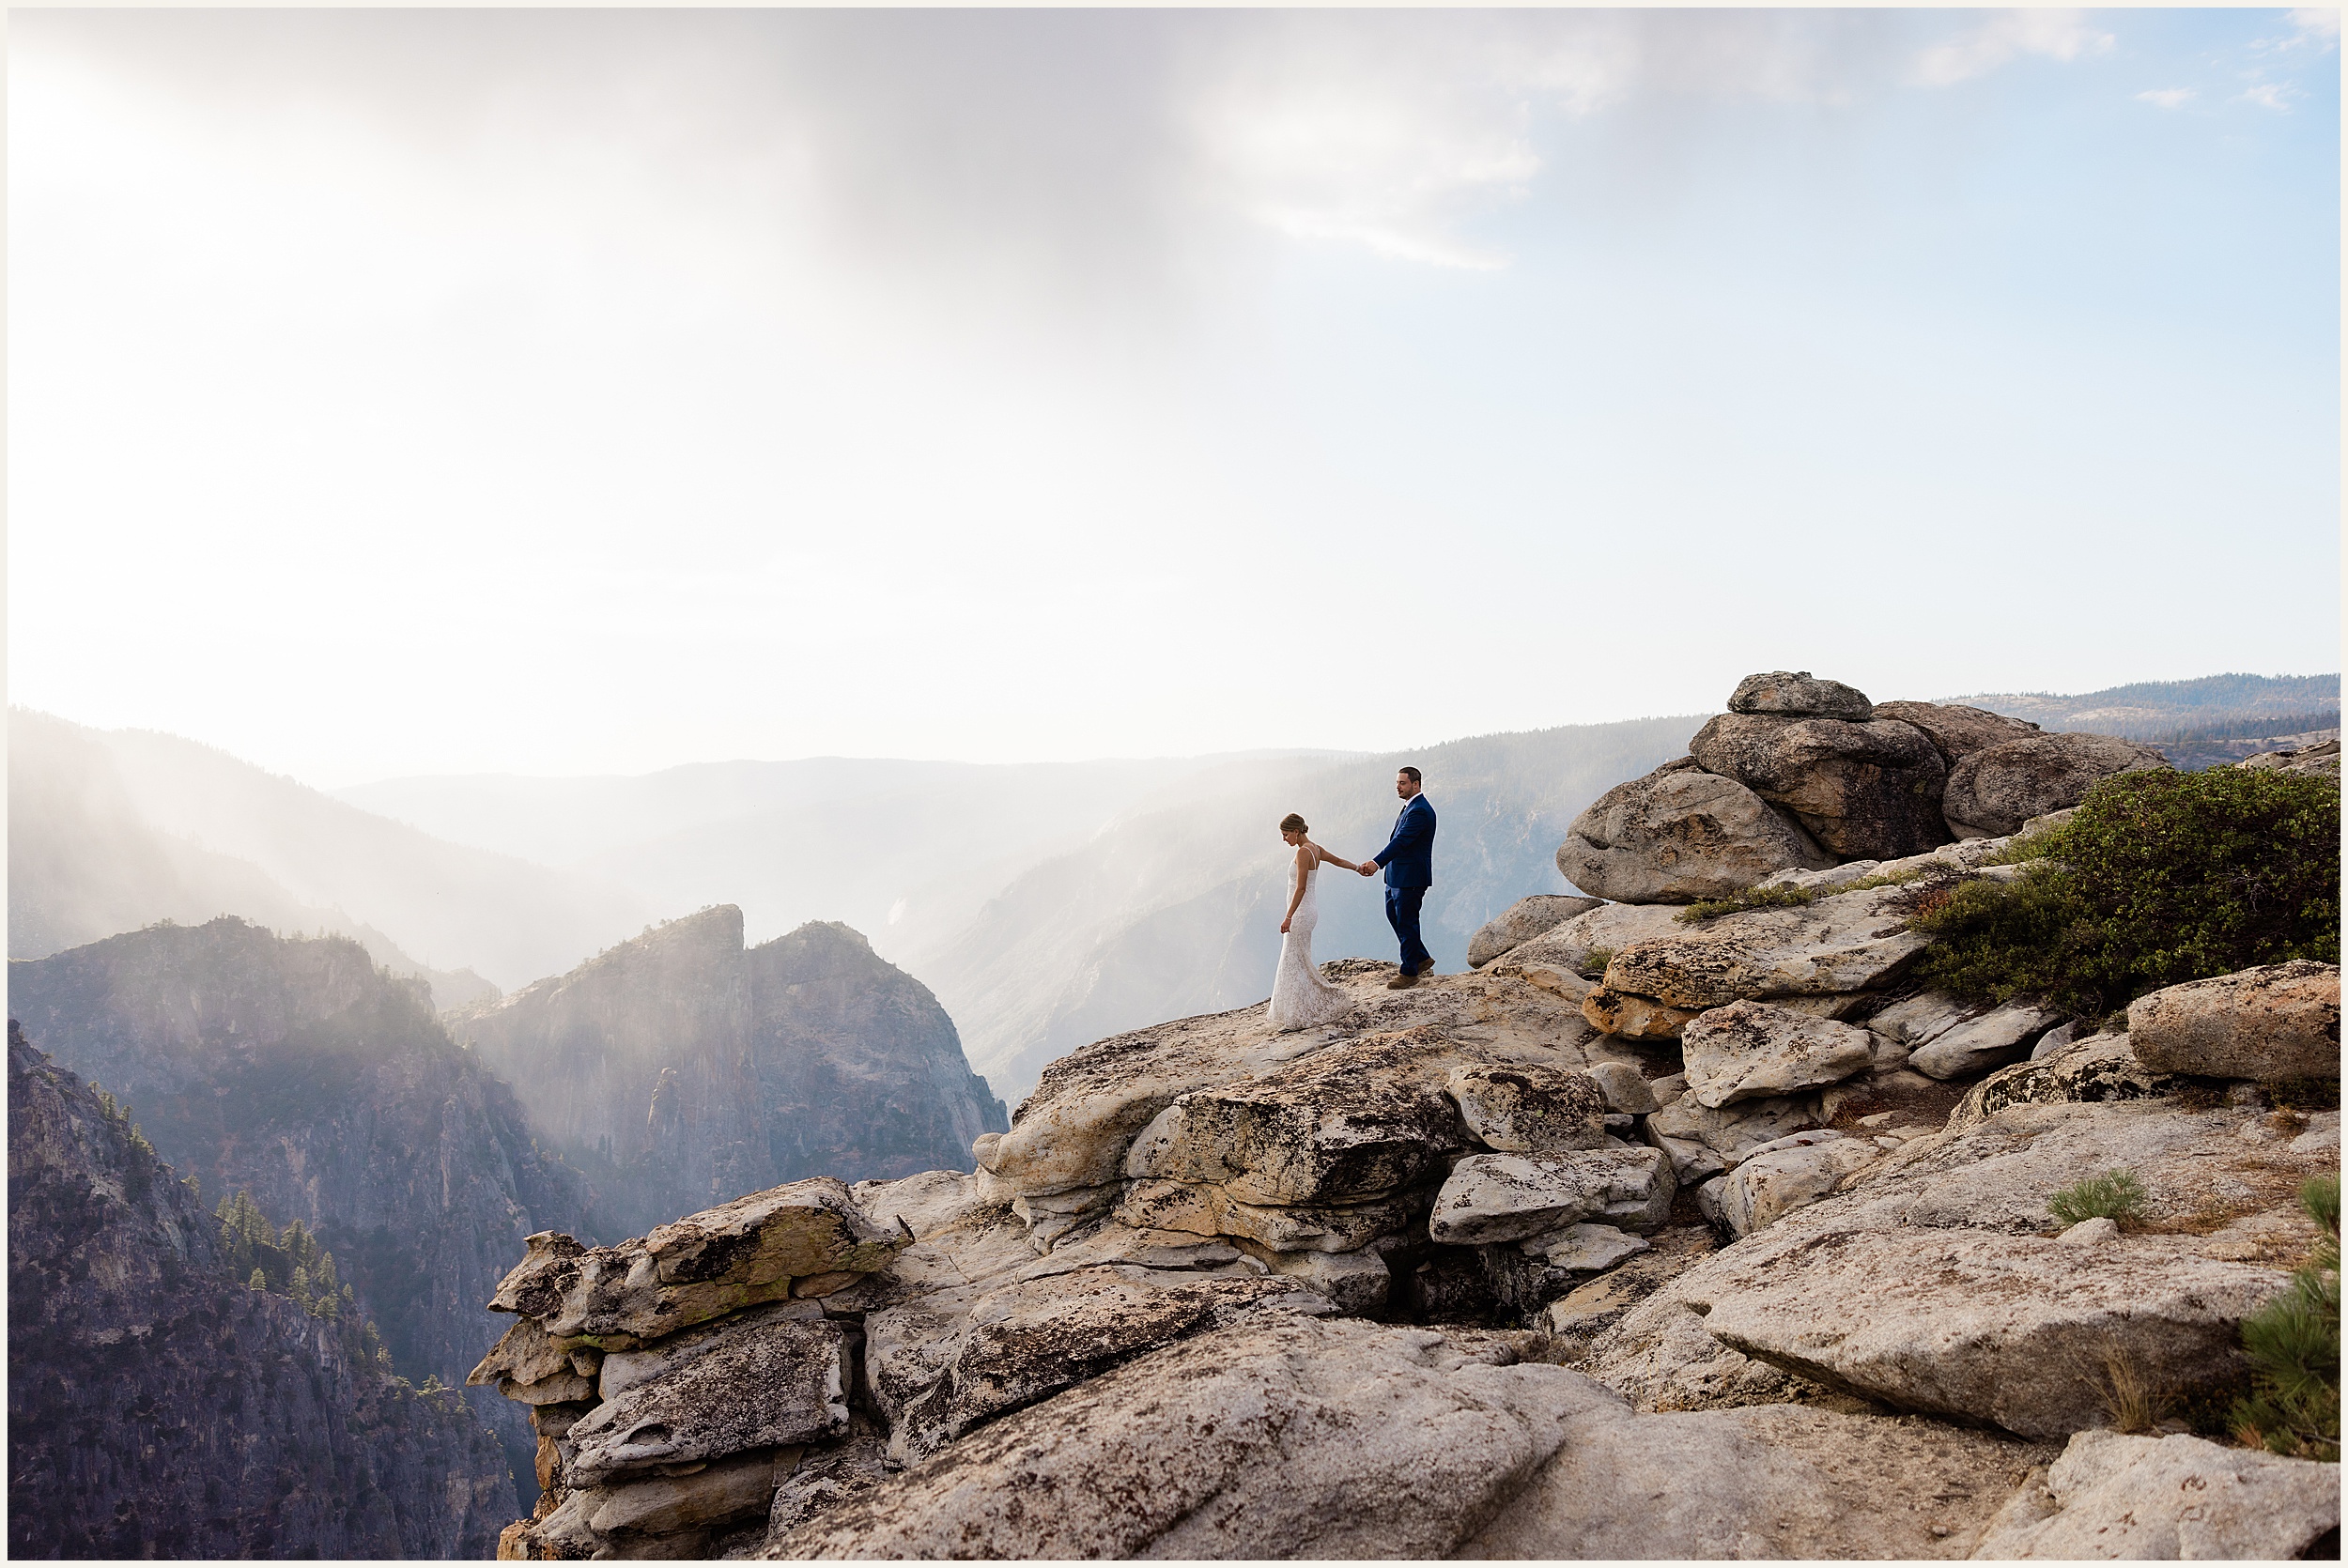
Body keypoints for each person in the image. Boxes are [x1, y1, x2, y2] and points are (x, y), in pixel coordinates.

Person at [1267, 812, 1362, 1031]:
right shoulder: (1316, 849)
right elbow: (1337, 861)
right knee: (1299, 960)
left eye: (1285, 834)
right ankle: (1299, 1009)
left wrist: (1288, 917)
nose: (1284, 839)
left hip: (1300, 914)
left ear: (1296, 832)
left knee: (1293, 962)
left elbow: (1300, 888)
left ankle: (1296, 1016)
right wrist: (1357, 868)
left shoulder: (1302, 853)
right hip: (1310, 911)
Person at [1358, 766, 1436, 989]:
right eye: (1397, 783)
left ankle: (1409, 972)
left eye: (1402, 783)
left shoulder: (1420, 810)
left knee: (1407, 922)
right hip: (1395, 877)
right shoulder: (1409, 807)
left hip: (1410, 878)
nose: (1398, 787)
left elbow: (1401, 842)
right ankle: (1421, 958)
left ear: (1416, 784)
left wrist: (1376, 863)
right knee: (1396, 918)